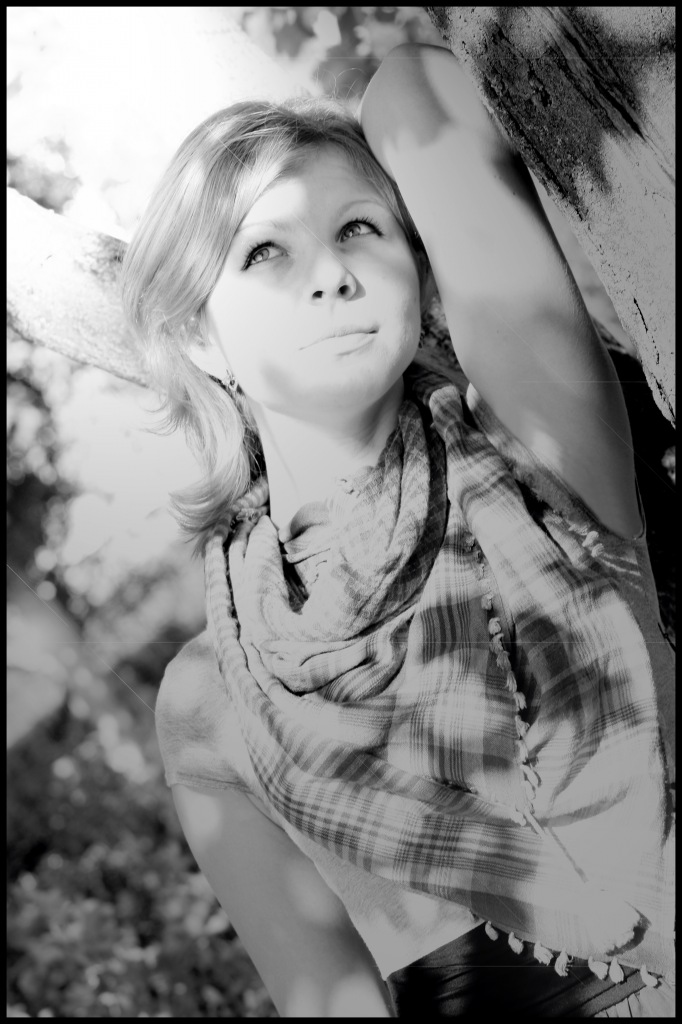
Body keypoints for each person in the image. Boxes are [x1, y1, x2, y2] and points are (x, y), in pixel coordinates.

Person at [119, 42, 674, 1017]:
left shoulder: (533, 453)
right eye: (264, 252)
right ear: (198, 335)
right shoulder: (207, 699)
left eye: (359, 229)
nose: (332, 274)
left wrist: (342, 116)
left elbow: (423, 91)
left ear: (416, 271)